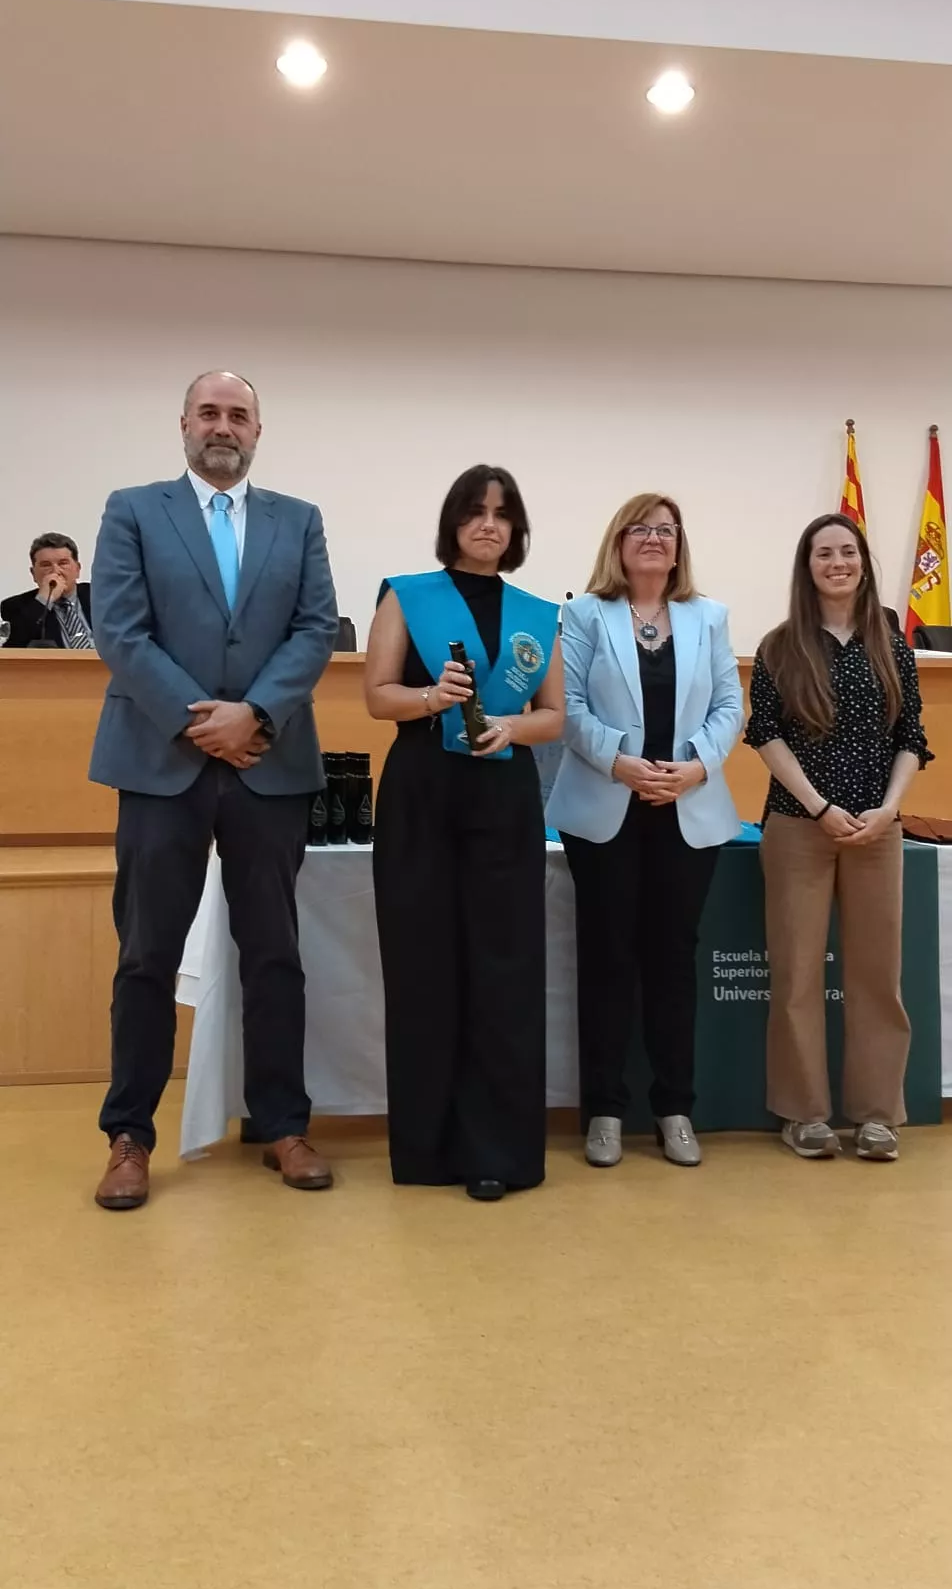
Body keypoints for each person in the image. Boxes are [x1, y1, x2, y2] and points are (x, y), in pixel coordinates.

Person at [89, 370, 339, 1209]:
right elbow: (120, 632)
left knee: (274, 955)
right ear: (184, 425)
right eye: (209, 412)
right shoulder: (133, 509)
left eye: (238, 414)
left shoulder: (297, 521)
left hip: (269, 765)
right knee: (146, 956)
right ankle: (129, 1135)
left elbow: (314, 628)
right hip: (161, 764)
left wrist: (256, 714)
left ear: (259, 430)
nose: (222, 425)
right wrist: (205, 722)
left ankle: (282, 1126)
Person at [365, 465, 564, 1201]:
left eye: (503, 514)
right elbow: (377, 697)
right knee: (424, 965)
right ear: (453, 522)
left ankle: (497, 1151)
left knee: (503, 971)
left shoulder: (538, 613)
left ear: (516, 531)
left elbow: (554, 716)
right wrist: (428, 696)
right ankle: (426, 1148)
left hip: (503, 796)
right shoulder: (406, 595)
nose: (489, 524)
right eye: (476, 512)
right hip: (421, 794)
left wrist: (509, 725)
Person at [546, 493, 743, 1169]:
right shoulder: (583, 615)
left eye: (666, 530)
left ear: (679, 544)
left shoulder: (707, 616)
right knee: (606, 960)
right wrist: (620, 763)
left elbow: (728, 704)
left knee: (671, 961)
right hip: (607, 808)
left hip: (687, 810)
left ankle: (674, 1107)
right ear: (619, 542)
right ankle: (604, 1108)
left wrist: (693, 768)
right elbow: (565, 708)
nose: (655, 539)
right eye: (641, 529)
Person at [746, 512, 932, 1162]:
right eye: (824, 553)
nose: (837, 562)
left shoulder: (891, 642)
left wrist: (888, 809)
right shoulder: (779, 645)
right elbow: (764, 734)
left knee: (876, 977)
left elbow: (911, 738)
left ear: (862, 560)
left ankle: (878, 1115)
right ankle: (805, 1115)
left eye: (847, 551)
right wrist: (820, 806)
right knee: (796, 974)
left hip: (878, 829)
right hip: (800, 826)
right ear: (808, 566)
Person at [1, 533, 94, 648]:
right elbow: (14, 647)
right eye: (46, 565)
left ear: (78, 569)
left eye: (63, 563)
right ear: (33, 573)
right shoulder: (15, 606)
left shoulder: (100, 595)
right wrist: (44, 599)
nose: (55, 571)